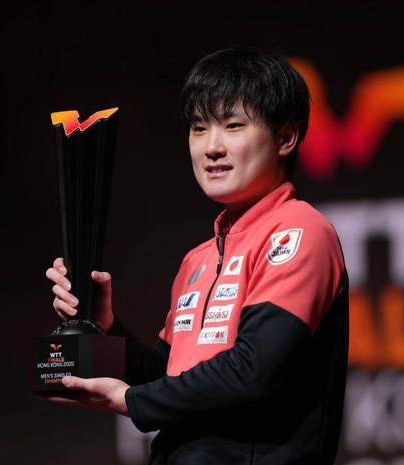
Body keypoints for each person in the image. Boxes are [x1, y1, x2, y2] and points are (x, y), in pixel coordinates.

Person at [44, 48, 349, 464]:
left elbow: (253, 371)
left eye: (233, 126)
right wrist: (105, 327)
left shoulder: (299, 232)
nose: (212, 147)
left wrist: (130, 401)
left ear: (285, 138)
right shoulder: (199, 259)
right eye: (199, 128)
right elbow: (169, 376)